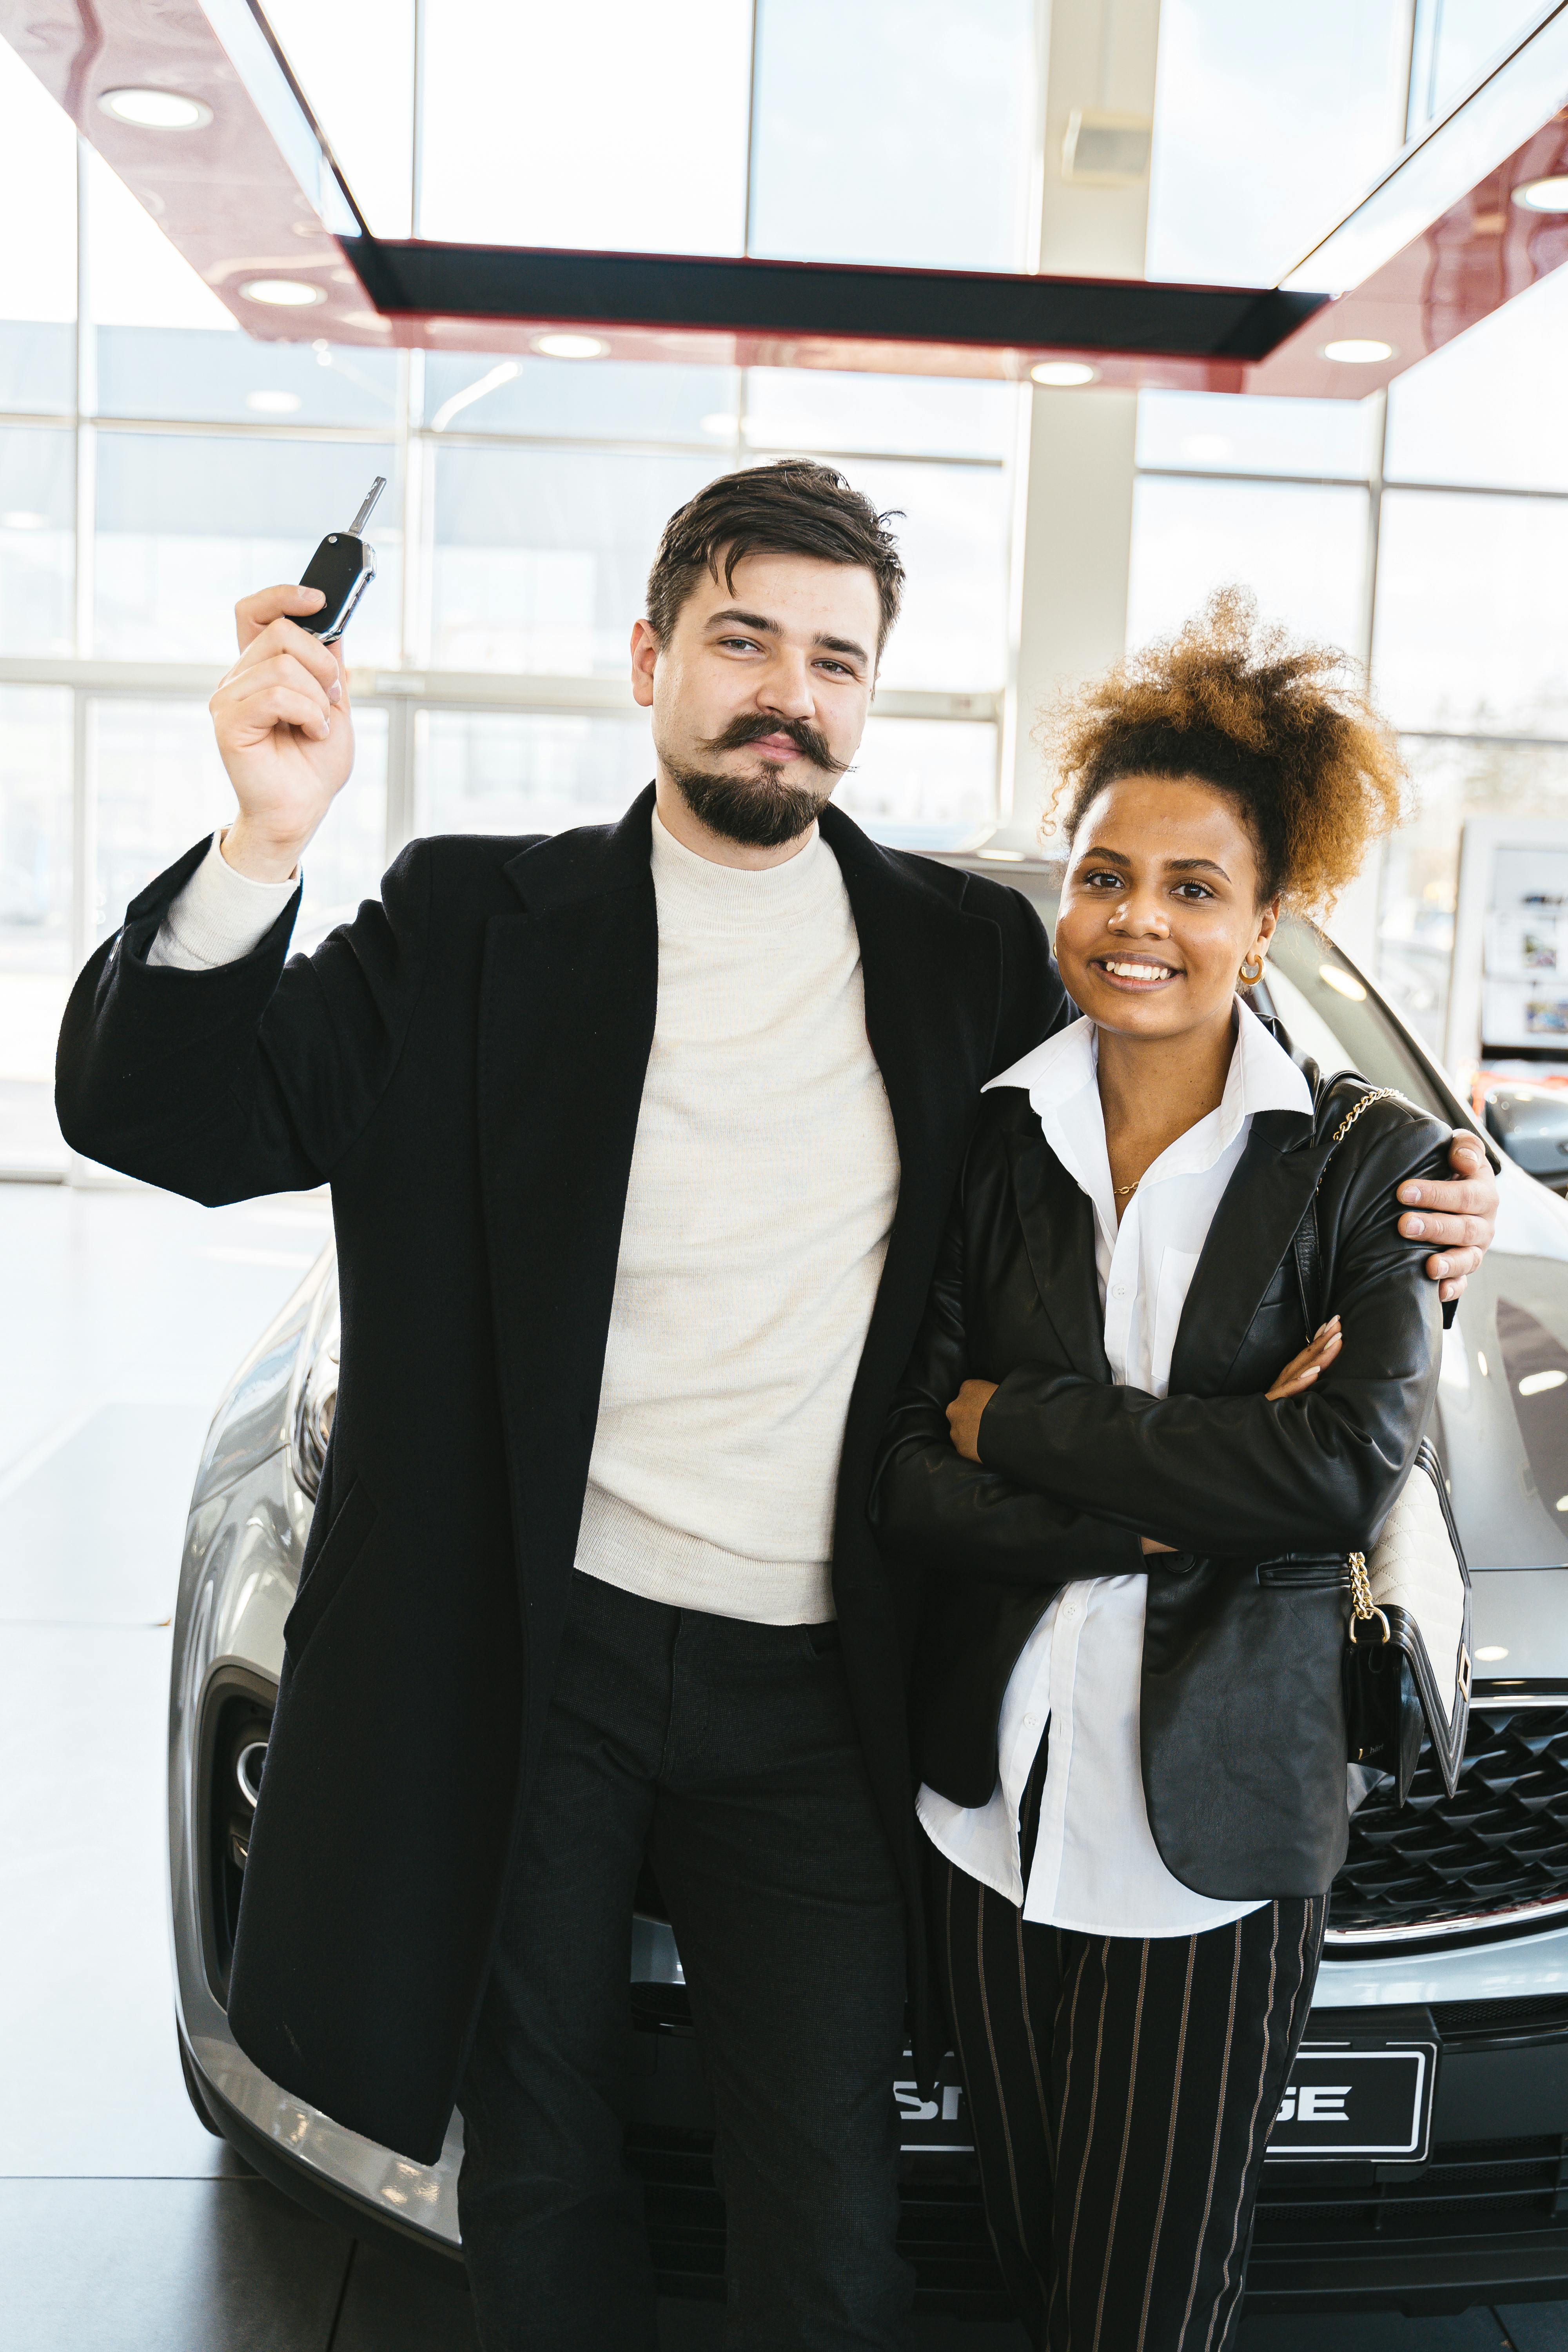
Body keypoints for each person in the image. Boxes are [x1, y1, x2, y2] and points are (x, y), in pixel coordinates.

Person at [56, 469, 1491, 2352]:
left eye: (835, 659)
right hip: (535, 1657)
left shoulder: (961, 962)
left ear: (867, 700)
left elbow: (1183, 1044)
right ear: (651, 657)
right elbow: (159, 1115)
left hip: (821, 1681)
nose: (785, 693)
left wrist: (1404, 1187)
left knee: (823, 2208)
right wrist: (261, 837)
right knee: (545, 2170)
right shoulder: (473, 917)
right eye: (742, 640)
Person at [870, 591, 1466, 2351]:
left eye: (1192, 888)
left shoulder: (1371, 1169)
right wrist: (1185, 1488)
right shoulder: (986, 1139)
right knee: (1030, 2263)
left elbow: (1342, 1476)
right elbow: (905, 1473)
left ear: (1266, 919)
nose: (1138, 921)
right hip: (987, 1812)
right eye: (1105, 876)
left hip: (1208, 1833)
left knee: (1146, 2307)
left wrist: (1025, 1424)